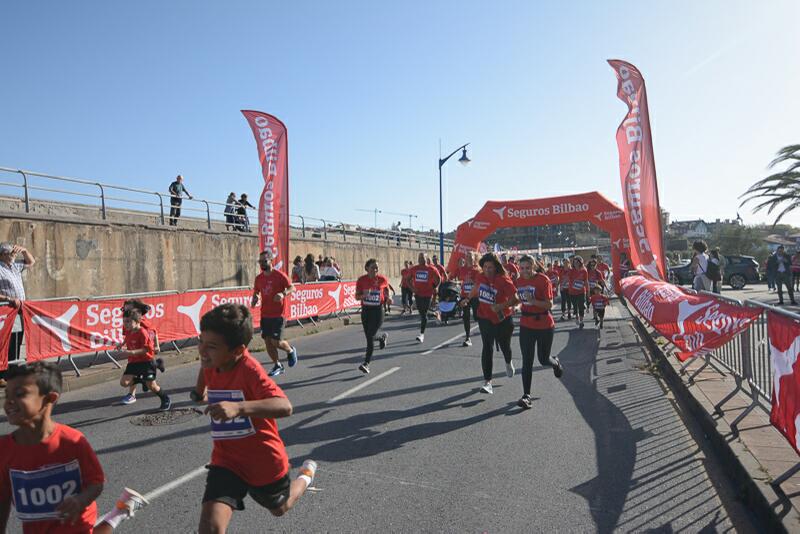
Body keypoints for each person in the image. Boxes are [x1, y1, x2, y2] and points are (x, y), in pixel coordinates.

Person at [192, 304, 317, 534]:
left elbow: (285, 406)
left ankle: (306, 477)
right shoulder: (213, 361)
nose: (202, 350)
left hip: (264, 462)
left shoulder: (250, 370)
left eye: (211, 346)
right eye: (201, 341)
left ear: (237, 351)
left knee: (280, 508)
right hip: (226, 460)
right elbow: (204, 369)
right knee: (209, 528)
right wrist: (199, 393)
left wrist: (238, 408)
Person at [0, 362, 106, 533]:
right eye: (7, 395)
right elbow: (3, 497)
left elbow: (96, 483)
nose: (9, 402)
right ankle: (120, 513)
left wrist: (80, 501)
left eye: (20, 394)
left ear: (49, 399)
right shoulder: (4, 449)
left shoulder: (72, 441)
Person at [464, 253, 519, 395]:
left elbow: (516, 298)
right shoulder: (480, 277)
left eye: (491, 267)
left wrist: (501, 306)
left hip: (503, 319)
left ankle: (508, 361)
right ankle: (487, 382)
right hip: (485, 318)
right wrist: (467, 299)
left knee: (505, 346)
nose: (487, 270)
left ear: (496, 268)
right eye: (485, 267)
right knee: (487, 347)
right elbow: (476, 288)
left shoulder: (503, 280)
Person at [514, 256, 563, 409]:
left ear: (533, 267)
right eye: (521, 268)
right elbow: (517, 299)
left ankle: (555, 363)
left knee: (543, 359)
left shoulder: (543, 280)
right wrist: (515, 306)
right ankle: (526, 396)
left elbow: (549, 304)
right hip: (526, 325)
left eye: (527, 268)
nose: (524, 271)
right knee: (527, 361)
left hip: (544, 324)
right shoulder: (518, 281)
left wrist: (533, 301)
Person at [252, 250, 299, 377]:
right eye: (260, 261)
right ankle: (277, 365)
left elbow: (292, 287)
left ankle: (290, 350)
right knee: (267, 341)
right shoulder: (259, 278)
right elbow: (256, 291)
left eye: (264, 261)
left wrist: (282, 294)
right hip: (265, 314)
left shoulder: (279, 275)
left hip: (278, 314)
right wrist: (255, 297)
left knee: (276, 342)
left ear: (271, 260)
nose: (261, 263)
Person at [117, 308, 172, 410]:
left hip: (146, 362)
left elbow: (147, 349)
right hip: (133, 362)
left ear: (137, 321)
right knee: (124, 383)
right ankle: (143, 380)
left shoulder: (143, 332)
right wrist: (122, 344)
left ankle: (165, 398)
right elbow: (127, 338)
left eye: (128, 321)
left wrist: (131, 352)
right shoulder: (129, 331)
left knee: (152, 386)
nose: (125, 324)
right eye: (124, 321)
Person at [0, 243, 35, 388]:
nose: (14, 255)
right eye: (10, 253)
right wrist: (8, 299)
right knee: (3, 342)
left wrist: (25, 250)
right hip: (6, 310)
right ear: (2, 255)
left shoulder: (15, 266)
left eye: (14, 253)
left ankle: (11, 372)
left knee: (16, 339)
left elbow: (31, 262)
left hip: (20, 309)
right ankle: (1, 374)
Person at [355, 259, 390, 374]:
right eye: (372, 268)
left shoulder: (382, 279)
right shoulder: (361, 280)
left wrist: (388, 298)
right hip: (366, 311)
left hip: (378, 311)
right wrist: (363, 296)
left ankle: (366, 363)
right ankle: (381, 338)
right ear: (366, 268)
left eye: (377, 268)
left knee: (370, 337)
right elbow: (356, 296)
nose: (375, 270)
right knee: (369, 337)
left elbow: (386, 288)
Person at [404, 253, 441, 343]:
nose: (421, 259)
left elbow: (439, 278)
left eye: (422, 258)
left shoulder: (431, 269)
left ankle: (421, 334)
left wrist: (436, 287)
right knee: (422, 313)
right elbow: (407, 279)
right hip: (418, 294)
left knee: (424, 314)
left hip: (428, 294)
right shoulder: (414, 269)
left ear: (426, 259)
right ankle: (435, 313)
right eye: (419, 258)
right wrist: (412, 288)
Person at [455, 252, 482, 347]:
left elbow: (479, 284)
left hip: (474, 296)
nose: (469, 258)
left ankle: (485, 330)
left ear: (474, 258)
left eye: (470, 257)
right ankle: (467, 337)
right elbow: (459, 279)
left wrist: (472, 281)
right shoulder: (462, 269)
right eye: (467, 257)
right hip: (464, 295)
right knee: (466, 317)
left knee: (476, 316)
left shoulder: (477, 270)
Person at [568, 256, 589, 329]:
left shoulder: (584, 271)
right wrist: (576, 282)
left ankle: (581, 321)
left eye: (577, 262)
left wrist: (588, 291)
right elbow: (570, 280)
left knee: (580, 306)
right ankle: (576, 316)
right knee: (575, 306)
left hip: (581, 291)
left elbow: (586, 281)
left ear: (581, 262)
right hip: (572, 291)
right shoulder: (571, 271)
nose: (576, 263)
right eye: (574, 262)